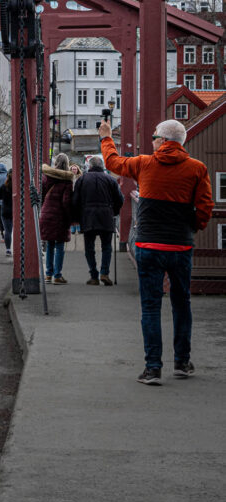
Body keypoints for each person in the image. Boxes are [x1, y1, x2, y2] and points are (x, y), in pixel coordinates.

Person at [99, 117, 213, 385]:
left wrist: (106, 137)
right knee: (181, 303)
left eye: (153, 137)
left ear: (162, 141)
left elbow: (113, 163)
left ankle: (153, 368)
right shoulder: (197, 169)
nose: (151, 141)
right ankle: (182, 362)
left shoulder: (144, 164)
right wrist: (193, 227)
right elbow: (205, 206)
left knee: (150, 307)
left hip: (149, 245)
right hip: (181, 246)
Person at [72, 155, 124, 286]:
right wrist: (114, 212)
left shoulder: (82, 179)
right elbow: (120, 199)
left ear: (89, 166)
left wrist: (77, 217)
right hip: (106, 215)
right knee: (107, 246)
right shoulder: (110, 180)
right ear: (102, 167)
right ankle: (104, 273)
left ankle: (93, 276)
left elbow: (75, 201)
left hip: (88, 216)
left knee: (89, 248)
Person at [39, 153, 75, 284]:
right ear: (67, 164)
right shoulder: (67, 180)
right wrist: (70, 217)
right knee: (59, 245)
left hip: (46, 214)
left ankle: (48, 274)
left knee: (49, 245)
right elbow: (66, 202)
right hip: (59, 216)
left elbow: (41, 195)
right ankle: (57, 275)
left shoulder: (46, 177)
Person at [0, 170, 13, 256]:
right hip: (15, 211)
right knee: (16, 230)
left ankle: (8, 249)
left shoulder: (4, 186)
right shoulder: (17, 186)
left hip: (5, 210)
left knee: (8, 231)